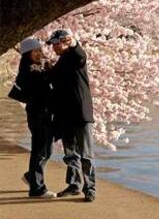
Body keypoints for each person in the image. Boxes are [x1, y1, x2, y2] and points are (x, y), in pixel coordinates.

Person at [46, 29, 96, 202]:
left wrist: (73, 43)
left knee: (86, 155)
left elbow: (81, 55)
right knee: (70, 154)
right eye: (52, 45)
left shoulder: (75, 58)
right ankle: (74, 185)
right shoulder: (61, 62)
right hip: (65, 115)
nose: (53, 48)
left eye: (55, 44)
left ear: (63, 42)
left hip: (81, 114)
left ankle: (89, 188)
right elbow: (51, 78)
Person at [8, 38, 56, 198]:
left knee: (46, 151)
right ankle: (37, 189)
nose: (39, 54)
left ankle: (31, 176)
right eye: (35, 51)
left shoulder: (38, 68)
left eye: (39, 50)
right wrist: (48, 72)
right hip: (38, 115)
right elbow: (41, 89)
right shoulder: (29, 70)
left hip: (44, 114)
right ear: (27, 54)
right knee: (40, 151)